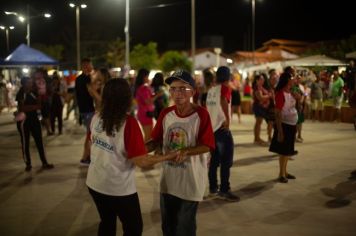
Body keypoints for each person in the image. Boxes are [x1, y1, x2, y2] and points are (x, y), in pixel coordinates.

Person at [86, 78, 176, 236]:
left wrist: (149, 145)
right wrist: (167, 156)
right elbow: (141, 161)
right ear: (126, 98)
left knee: (107, 223)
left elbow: (103, 144)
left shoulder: (97, 117)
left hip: (95, 183)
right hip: (117, 188)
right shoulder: (129, 123)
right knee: (133, 228)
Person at [146, 70, 215, 236]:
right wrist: (139, 149)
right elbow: (155, 140)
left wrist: (186, 151)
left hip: (190, 183)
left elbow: (207, 145)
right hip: (168, 182)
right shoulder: (165, 113)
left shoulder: (201, 114)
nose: (178, 93)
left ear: (192, 91)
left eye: (183, 88)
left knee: (185, 229)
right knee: (168, 228)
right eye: (174, 89)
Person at [206, 66, 240, 201]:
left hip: (212, 129)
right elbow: (223, 100)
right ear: (228, 76)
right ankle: (224, 190)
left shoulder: (211, 90)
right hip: (221, 129)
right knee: (226, 161)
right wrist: (227, 118)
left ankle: (213, 188)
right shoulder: (225, 88)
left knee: (214, 161)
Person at [15, 76, 54, 171]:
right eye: (28, 82)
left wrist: (31, 106)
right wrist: (34, 106)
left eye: (31, 82)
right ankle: (28, 164)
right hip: (24, 121)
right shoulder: (21, 93)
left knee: (39, 142)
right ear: (23, 84)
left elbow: (39, 106)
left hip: (35, 120)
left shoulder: (34, 92)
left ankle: (44, 162)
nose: (31, 84)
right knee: (25, 143)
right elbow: (22, 108)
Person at [269, 72, 298, 183]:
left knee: (288, 151)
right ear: (286, 80)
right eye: (291, 78)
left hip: (291, 124)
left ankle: (285, 172)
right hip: (284, 125)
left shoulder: (291, 92)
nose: (293, 80)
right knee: (283, 151)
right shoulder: (281, 94)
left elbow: (301, 98)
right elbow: (278, 113)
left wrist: (298, 96)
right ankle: (281, 174)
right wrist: (280, 131)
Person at [75, 58, 94, 165]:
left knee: (89, 135)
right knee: (89, 135)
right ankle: (85, 157)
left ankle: (86, 157)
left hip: (85, 110)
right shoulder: (86, 79)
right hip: (88, 110)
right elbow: (90, 94)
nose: (92, 67)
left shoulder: (79, 79)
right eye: (90, 65)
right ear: (85, 66)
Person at [134, 68, 157, 141]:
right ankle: (143, 151)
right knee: (148, 137)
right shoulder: (144, 88)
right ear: (143, 77)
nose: (148, 78)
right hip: (146, 114)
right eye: (147, 76)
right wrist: (158, 95)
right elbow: (148, 102)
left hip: (142, 113)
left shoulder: (139, 87)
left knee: (147, 136)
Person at [252, 74, 272, 145]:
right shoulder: (257, 88)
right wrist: (269, 95)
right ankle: (256, 138)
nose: (263, 80)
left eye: (263, 79)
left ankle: (257, 138)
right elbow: (260, 98)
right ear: (257, 80)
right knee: (258, 122)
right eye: (261, 79)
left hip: (262, 107)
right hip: (258, 107)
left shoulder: (261, 87)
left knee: (259, 123)